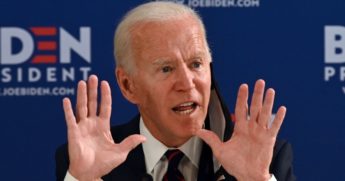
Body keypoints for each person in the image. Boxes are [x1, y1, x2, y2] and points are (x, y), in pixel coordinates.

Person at [55, 1, 295, 181]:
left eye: (196, 64)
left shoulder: (265, 159)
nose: (187, 83)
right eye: (166, 68)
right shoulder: (87, 160)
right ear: (128, 86)